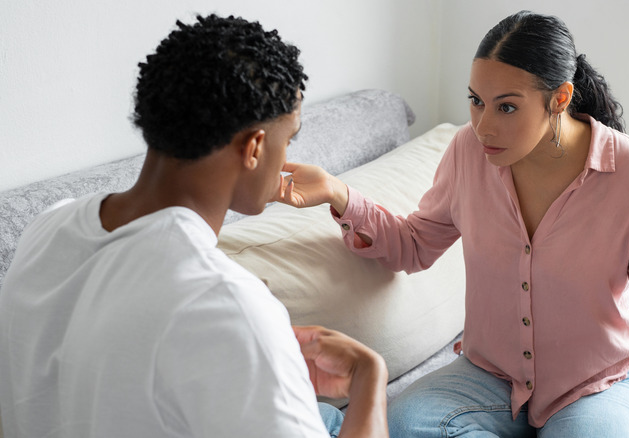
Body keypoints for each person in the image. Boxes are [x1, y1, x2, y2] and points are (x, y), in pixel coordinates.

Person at [274, 10, 629, 438]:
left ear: (560, 98)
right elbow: (414, 243)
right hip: (486, 373)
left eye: (507, 106)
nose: (483, 125)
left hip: (594, 383)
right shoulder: (468, 153)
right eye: (475, 100)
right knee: (399, 424)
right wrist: (338, 193)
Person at [0, 15, 388, 438]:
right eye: (288, 138)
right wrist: (369, 379)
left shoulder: (47, 228)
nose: (287, 156)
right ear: (255, 146)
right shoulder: (227, 303)